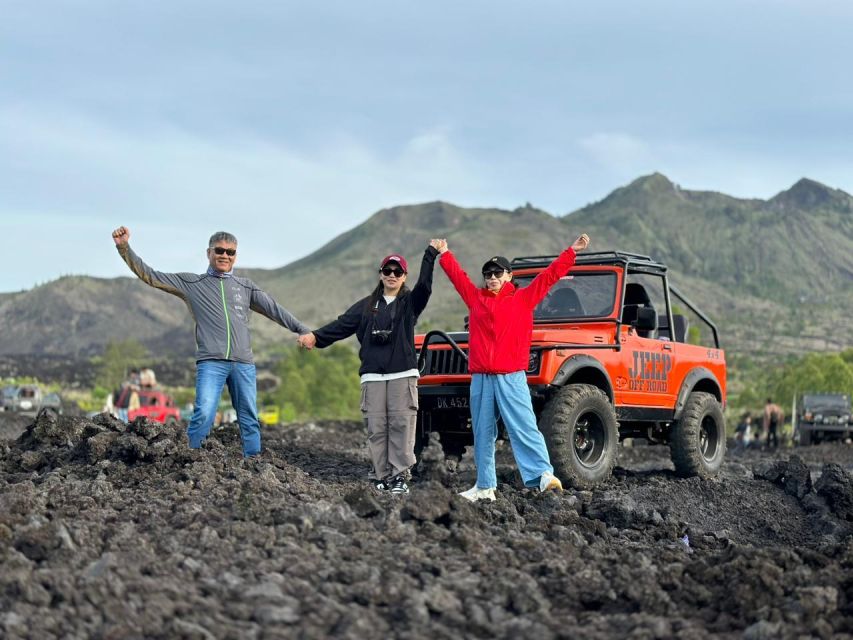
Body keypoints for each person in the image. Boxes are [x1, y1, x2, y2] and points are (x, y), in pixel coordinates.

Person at [111, 226, 311, 457]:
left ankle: (254, 463)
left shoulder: (245, 287)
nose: (225, 255)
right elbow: (151, 276)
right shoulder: (192, 284)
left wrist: (302, 329)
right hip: (211, 363)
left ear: (235, 255)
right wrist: (124, 248)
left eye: (230, 252)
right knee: (204, 413)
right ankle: (191, 460)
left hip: (243, 363)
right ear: (209, 253)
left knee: (249, 416)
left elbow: (274, 310)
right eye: (220, 250)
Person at [435, 233, 591, 501]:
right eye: (488, 273)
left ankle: (543, 476)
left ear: (509, 275)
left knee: (523, 426)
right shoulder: (476, 299)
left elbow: (550, 276)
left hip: (511, 376)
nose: (492, 277)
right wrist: (445, 254)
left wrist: (571, 252)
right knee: (482, 431)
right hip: (482, 377)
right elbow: (458, 278)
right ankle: (485, 486)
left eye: (497, 272)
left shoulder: (523, 298)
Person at [298, 242, 440, 494]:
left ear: (404, 276)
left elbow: (425, 287)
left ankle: (398, 477)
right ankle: (380, 476)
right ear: (381, 274)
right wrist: (315, 338)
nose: (392, 276)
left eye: (398, 272)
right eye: (388, 271)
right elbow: (340, 325)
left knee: (400, 425)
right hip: (373, 376)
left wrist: (430, 255)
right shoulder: (366, 306)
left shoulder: (409, 303)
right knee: (377, 428)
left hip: (402, 374)